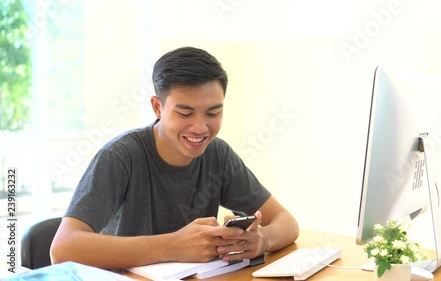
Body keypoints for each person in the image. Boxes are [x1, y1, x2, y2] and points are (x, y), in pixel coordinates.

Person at [50, 46, 299, 269]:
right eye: (185, 113)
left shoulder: (217, 154)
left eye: (213, 112)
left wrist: (262, 240)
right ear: (158, 107)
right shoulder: (121, 156)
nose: (200, 128)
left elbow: (286, 222)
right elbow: (62, 250)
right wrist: (172, 246)